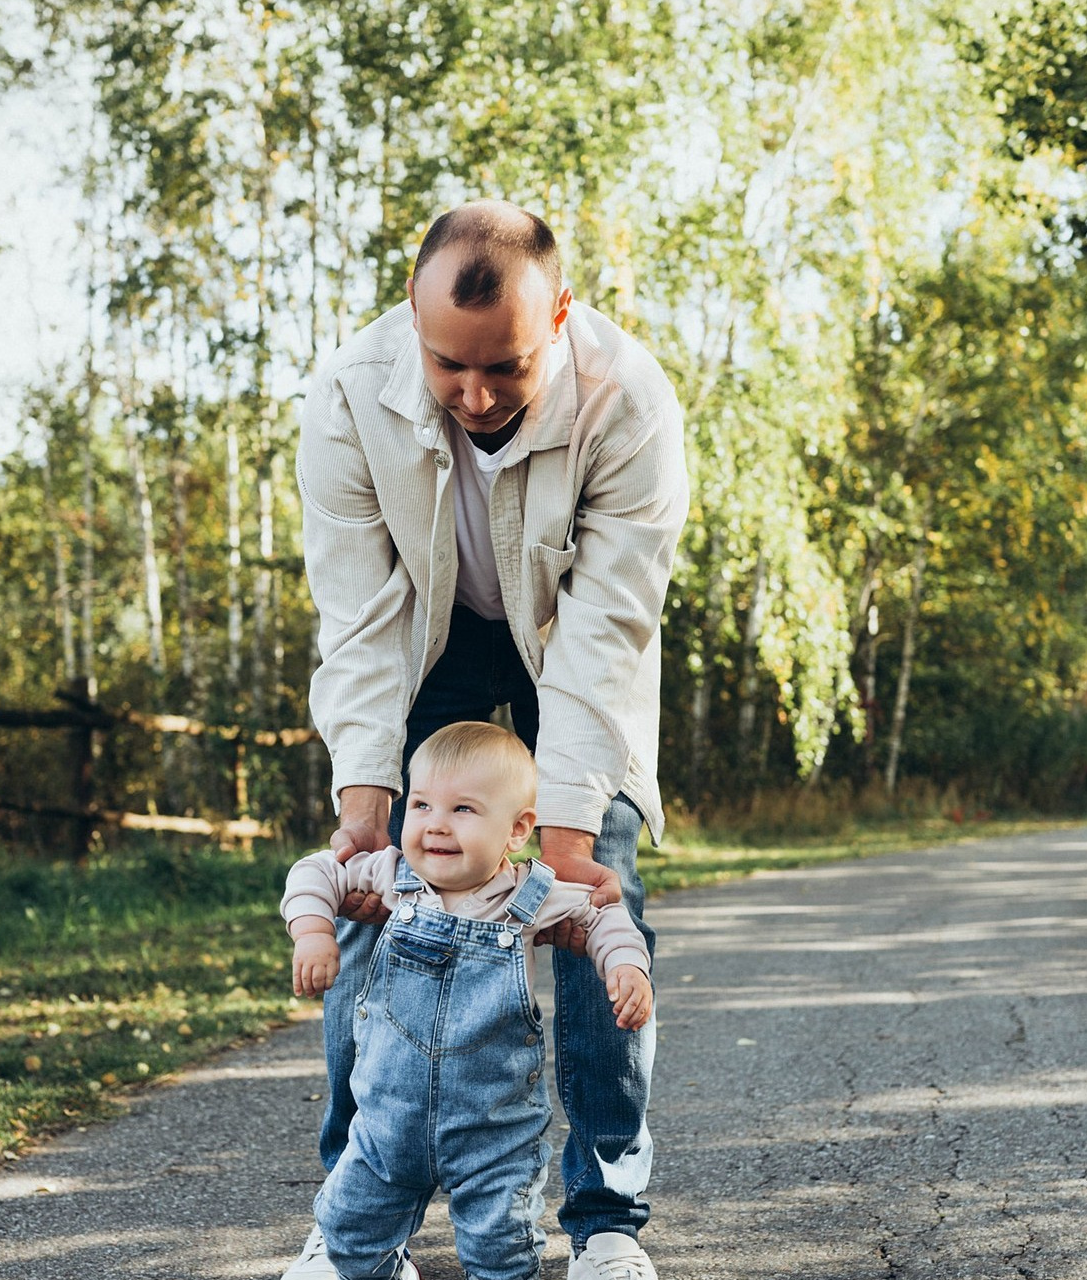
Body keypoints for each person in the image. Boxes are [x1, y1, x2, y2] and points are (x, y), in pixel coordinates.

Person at [287, 198, 687, 1280]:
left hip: (563, 643)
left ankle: (604, 1217)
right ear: (412, 323)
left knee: (602, 889)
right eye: (445, 366)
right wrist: (363, 809)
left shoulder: (629, 404)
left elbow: (606, 631)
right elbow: (359, 621)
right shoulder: (345, 396)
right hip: (418, 641)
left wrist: (562, 831)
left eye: (504, 368)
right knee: (375, 886)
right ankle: (356, 1220)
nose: (472, 396)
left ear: (558, 315)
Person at [282, 722, 653, 1280]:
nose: (434, 824)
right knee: (351, 1240)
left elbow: (601, 914)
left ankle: (597, 1231)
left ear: (517, 830)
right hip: (386, 1121)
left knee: (500, 1250)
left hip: (493, 1131)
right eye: (423, 804)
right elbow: (316, 871)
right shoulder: (392, 875)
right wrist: (312, 930)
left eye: (463, 810)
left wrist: (626, 965)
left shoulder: (532, 893)